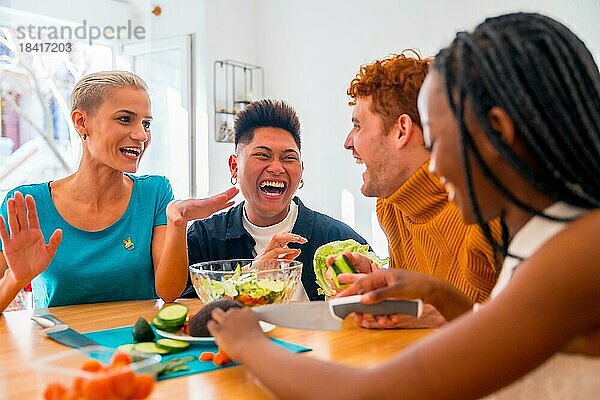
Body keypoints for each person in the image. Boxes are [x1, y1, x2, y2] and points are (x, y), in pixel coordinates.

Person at [207, 13, 600, 399]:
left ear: (499, 133)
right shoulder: (557, 235)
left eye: (440, 139)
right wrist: (434, 292)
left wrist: (249, 342)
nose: (437, 164)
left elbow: (369, 393)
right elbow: (508, 336)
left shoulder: (577, 252)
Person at [0, 71, 237, 312]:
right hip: (58, 345)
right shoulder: (26, 204)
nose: (141, 135)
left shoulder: (155, 192)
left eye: (146, 124)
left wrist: (177, 222)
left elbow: (168, 292)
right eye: (125, 119)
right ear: (82, 122)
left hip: (137, 345)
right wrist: (16, 279)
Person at [327, 51, 500, 328]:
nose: (348, 143)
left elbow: (532, 325)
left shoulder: (487, 210)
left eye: (357, 126)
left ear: (401, 130)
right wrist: (383, 283)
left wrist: (437, 314)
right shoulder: (391, 206)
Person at [184, 99, 367, 301]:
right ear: (234, 166)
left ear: (302, 170)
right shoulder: (203, 238)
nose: (277, 168)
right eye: (263, 155)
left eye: (289, 158)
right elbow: (188, 317)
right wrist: (249, 276)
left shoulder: (338, 239)